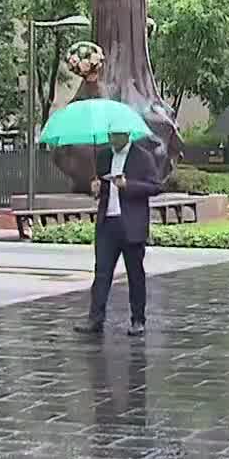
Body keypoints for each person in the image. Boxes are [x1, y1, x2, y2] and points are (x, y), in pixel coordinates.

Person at [74, 131, 162, 337]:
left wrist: (128, 185)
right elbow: (103, 188)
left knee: (135, 274)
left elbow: (156, 186)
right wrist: (96, 189)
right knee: (102, 272)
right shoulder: (104, 156)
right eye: (111, 135)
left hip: (131, 224)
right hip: (108, 223)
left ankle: (138, 319)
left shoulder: (142, 157)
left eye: (117, 135)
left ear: (127, 134)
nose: (113, 139)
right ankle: (95, 318)